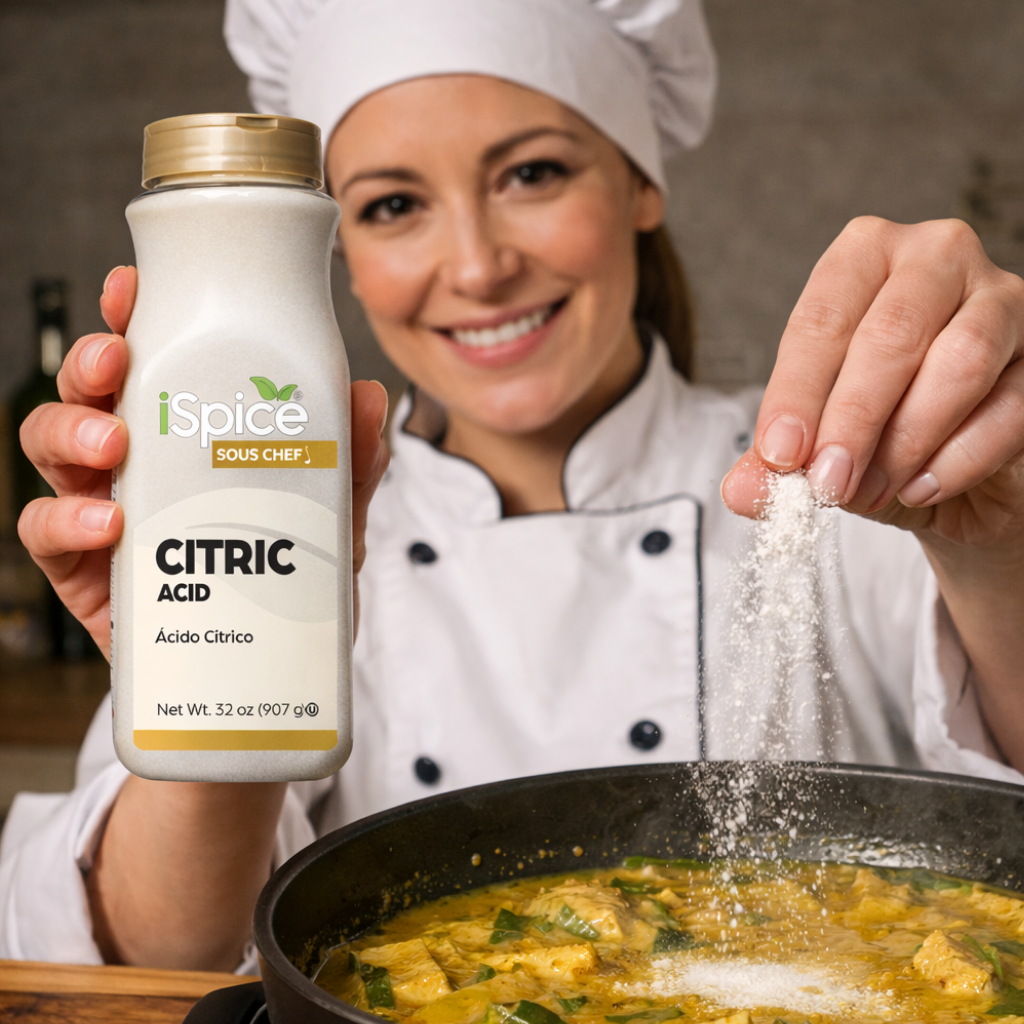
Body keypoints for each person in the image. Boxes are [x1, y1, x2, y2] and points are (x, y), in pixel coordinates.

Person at [2, 0, 1023, 974]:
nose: (479, 266)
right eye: (393, 205)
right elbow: (144, 970)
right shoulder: (273, 539)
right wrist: (207, 691)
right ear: (338, 252)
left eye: (530, 174)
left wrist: (998, 540)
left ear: (638, 182)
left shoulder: (841, 483)